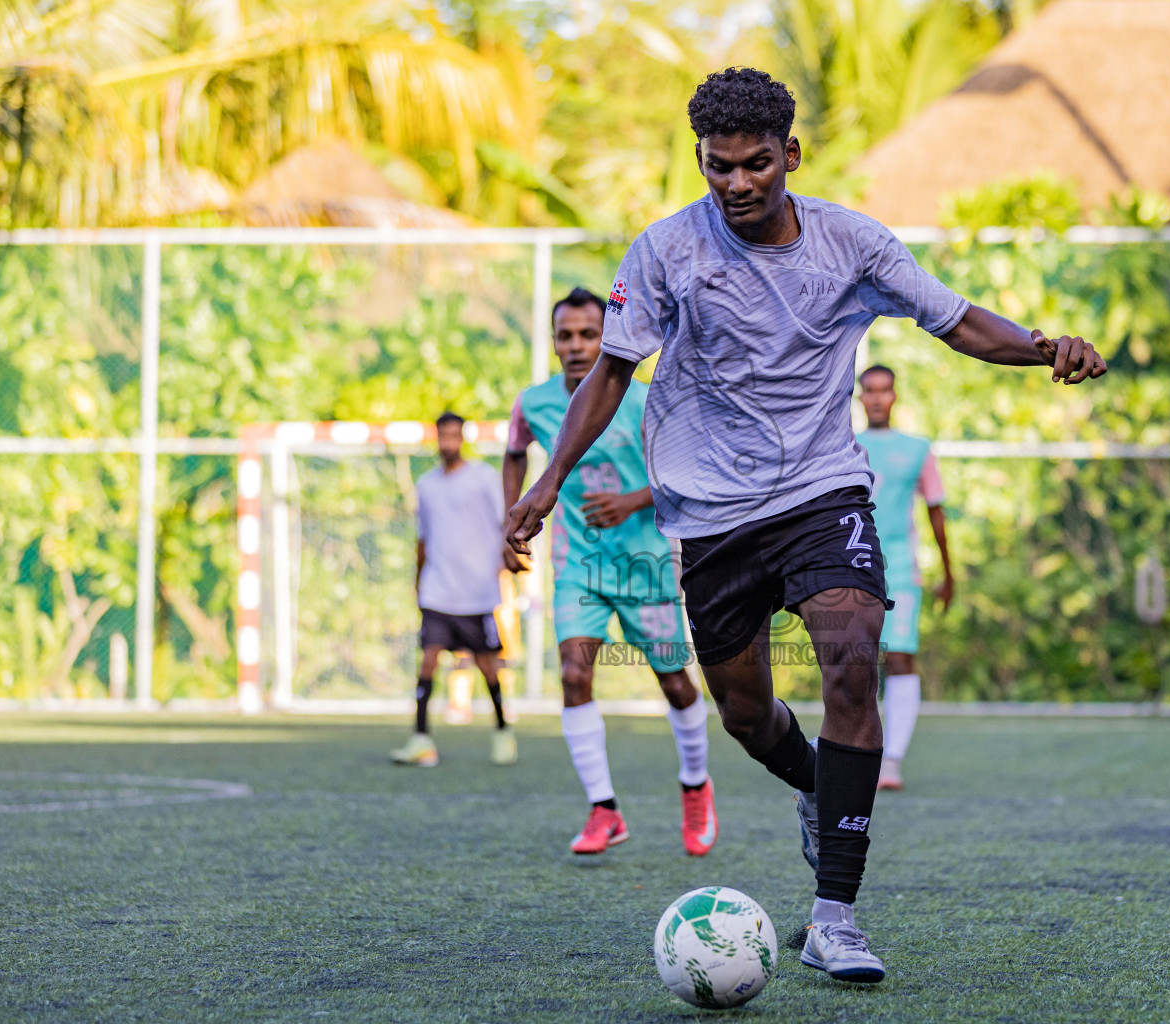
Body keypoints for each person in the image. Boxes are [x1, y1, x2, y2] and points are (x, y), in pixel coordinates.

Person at [506, 68, 1106, 983]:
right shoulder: (665, 252)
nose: (737, 185)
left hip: (822, 491)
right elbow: (613, 374)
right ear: (700, 163)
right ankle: (821, 796)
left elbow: (955, 321)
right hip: (710, 515)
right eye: (718, 170)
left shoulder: (852, 244)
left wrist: (1041, 346)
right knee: (746, 713)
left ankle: (836, 918)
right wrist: (548, 481)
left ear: (790, 155)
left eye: (755, 166)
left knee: (854, 652)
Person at [503, 287, 717, 857]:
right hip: (579, 567)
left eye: (588, 335)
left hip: (647, 565)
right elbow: (513, 453)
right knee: (574, 675)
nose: (576, 346)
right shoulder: (535, 403)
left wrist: (630, 501)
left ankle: (696, 785)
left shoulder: (647, 402)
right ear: (552, 342)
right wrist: (512, 519)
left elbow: (687, 471)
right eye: (566, 336)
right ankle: (604, 810)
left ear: (608, 339)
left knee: (675, 683)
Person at [392, 412, 516, 768]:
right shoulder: (427, 484)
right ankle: (420, 738)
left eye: (453, 435)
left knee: (486, 664)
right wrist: (418, 582)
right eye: (442, 436)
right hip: (437, 589)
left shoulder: (484, 478)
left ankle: (503, 730)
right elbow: (423, 538)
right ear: (436, 438)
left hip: (476, 591)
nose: (447, 442)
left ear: (462, 437)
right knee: (428, 659)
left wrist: (506, 561)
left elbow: (505, 523)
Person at [856, 365, 953, 791]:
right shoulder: (841, 446)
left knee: (899, 658)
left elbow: (935, 511)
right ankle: (858, 753)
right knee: (855, 662)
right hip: (851, 566)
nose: (877, 398)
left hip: (899, 567)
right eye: (869, 390)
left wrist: (949, 573)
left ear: (895, 396)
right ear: (859, 396)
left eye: (884, 390)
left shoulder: (917, 450)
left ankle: (891, 760)